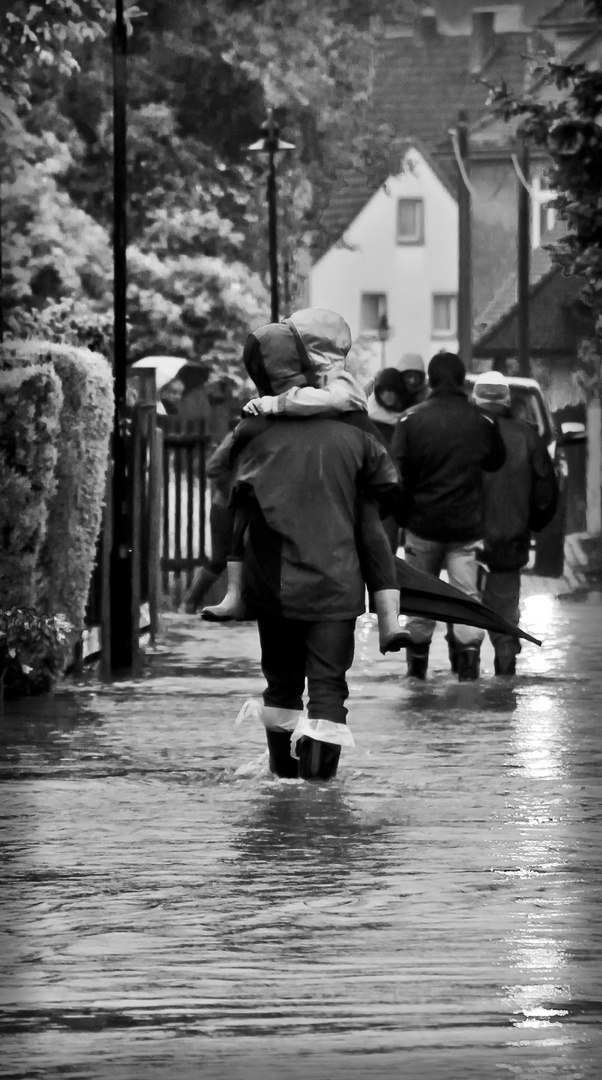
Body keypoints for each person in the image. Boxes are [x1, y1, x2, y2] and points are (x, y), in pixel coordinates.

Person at [225, 309, 405, 781]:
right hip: (336, 585)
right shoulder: (357, 429)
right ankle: (319, 795)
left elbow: (231, 497)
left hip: (274, 584)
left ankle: (283, 783)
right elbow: (390, 492)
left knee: (281, 684)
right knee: (329, 687)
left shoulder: (252, 431)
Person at [202, 308, 409, 657]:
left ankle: (389, 622)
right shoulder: (345, 407)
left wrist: (274, 403)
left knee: (246, 508)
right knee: (370, 531)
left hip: (286, 573)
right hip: (337, 564)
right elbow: (389, 480)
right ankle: (389, 621)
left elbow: (322, 402)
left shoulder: (334, 387)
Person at [390, 351, 506, 682]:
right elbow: (495, 461)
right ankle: (468, 673)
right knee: (467, 597)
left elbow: (397, 475)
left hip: (421, 526)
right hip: (466, 529)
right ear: (461, 380)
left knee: (419, 600)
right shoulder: (482, 421)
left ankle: (417, 675)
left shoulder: (410, 420)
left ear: (430, 380)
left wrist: (403, 518)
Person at [468, 370, 558, 675]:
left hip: (463, 544)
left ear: (475, 398)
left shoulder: (461, 435)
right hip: (509, 541)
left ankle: (465, 679)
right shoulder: (528, 437)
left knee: (465, 614)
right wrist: (528, 525)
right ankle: (505, 683)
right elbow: (546, 493)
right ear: (507, 400)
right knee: (505, 616)